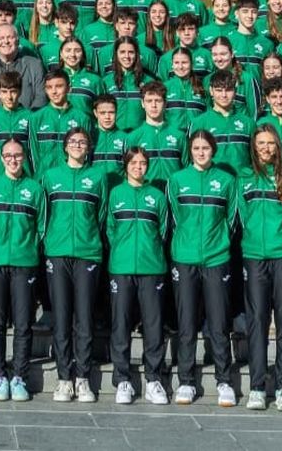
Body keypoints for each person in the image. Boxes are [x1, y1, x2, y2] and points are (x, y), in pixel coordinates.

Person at [168, 131, 237, 406]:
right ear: (190, 151)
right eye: (196, 148)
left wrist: (219, 242)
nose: (200, 152)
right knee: (186, 324)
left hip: (216, 258)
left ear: (213, 150)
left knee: (218, 323)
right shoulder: (177, 180)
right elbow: (174, 218)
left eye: (205, 148)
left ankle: (224, 381)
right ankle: (186, 381)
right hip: (184, 258)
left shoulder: (226, 181)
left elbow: (231, 219)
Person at [236, 125, 282, 412]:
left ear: (278, 146)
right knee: (257, 321)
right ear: (254, 146)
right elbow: (239, 214)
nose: (266, 148)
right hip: (254, 256)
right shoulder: (244, 176)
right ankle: (258, 387)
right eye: (261, 143)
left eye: (271, 143)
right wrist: (250, 240)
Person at [0, 139, 44, 403]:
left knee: (23, 322)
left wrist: (28, 249)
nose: (13, 160)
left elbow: (41, 227)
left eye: (17, 155)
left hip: (25, 263)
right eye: (8, 155)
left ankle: (19, 377)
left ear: (24, 157)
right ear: (1, 158)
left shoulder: (34, 189)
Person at [43, 126, 108, 403]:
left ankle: (82, 378)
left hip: (87, 253)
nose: (78, 145)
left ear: (89, 147)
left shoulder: (98, 177)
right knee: (61, 318)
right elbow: (44, 215)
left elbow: (102, 214)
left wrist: (90, 239)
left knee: (84, 318)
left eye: (82, 142)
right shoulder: (51, 176)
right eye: (73, 141)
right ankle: (63, 378)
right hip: (57, 253)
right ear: (65, 146)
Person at [106, 146, 170, 405]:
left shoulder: (157, 196)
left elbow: (163, 230)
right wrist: (121, 251)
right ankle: (122, 379)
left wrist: (150, 251)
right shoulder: (115, 194)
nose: (138, 167)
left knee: (153, 326)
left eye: (142, 163)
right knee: (120, 324)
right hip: (121, 267)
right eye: (133, 163)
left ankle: (153, 379)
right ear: (126, 165)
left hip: (151, 267)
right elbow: (109, 228)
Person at [0, 24, 43, 113]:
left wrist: (28, 118)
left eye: (10, 37)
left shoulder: (34, 65)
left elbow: (41, 97)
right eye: (1, 38)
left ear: (18, 41)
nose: (6, 41)